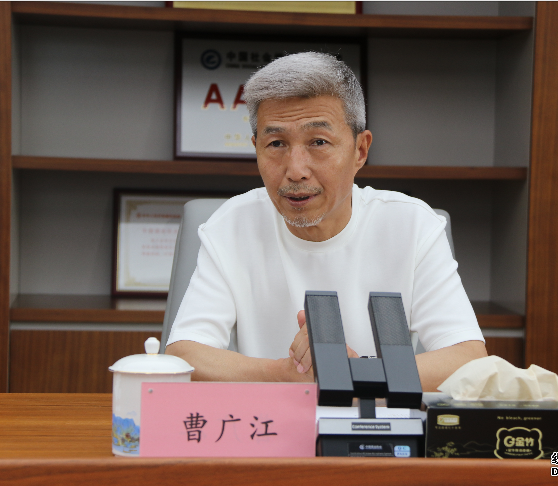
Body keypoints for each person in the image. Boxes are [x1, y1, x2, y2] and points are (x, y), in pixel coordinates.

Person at [166, 52, 487, 391]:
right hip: (270, 420)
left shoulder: (411, 225)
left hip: (375, 420)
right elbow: (184, 355)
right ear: (256, 148)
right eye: (276, 143)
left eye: (318, 142)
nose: (296, 170)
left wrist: (356, 375)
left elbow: (468, 358)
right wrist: (284, 375)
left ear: (360, 150)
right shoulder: (231, 226)